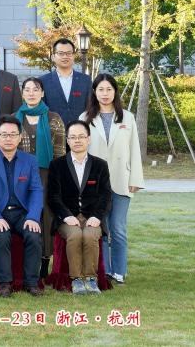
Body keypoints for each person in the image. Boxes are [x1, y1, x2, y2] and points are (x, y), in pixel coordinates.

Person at [81, 73, 144, 284]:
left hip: (121, 181)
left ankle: (119, 271)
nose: (105, 94)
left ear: (115, 91)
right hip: (94, 184)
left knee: (118, 228)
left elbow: (134, 149)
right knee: (100, 228)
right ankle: (104, 270)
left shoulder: (127, 117)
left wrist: (135, 179)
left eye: (109, 89)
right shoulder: (85, 118)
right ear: (94, 92)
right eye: (101, 89)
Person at [0, 116, 45, 298]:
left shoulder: (30, 160)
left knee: (33, 234)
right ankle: (4, 283)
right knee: (2, 235)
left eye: (13, 134)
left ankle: (31, 282)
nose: (8, 138)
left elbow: (36, 190)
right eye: (4, 134)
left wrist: (33, 217)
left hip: (22, 213)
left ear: (20, 137)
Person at [47, 121, 112, 294]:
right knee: (75, 235)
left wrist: (97, 216)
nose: (77, 140)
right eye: (73, 137)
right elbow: (53, 196)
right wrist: (66, 216)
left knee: (90, 235)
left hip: (92, 217)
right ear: (67, 140)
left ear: (88, 139)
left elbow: (105, 195)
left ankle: (90, 279)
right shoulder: (57, 165)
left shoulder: (100, 165)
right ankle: (76, 280)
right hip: (67, 218)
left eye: (81, 136)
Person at [15, 76, 67, 275]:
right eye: (27, 89)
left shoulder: (54, 118)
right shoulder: (14, 118)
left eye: (36, 89)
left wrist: (58, 180)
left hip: (47, 174)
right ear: (22, 93)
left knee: (46, 216)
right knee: (24, 213)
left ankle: (45, 261)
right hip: (20, 174)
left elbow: (60, 153)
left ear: (42, 93)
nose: (31, 93)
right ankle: (24, 261)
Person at [38, 38, 93, 123]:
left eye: (69, 53)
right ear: (53, 57)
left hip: (80, 129)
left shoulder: (85, 80)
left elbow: (90, 108)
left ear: (74, 56)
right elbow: (41, 110)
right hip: (52, 130)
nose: (65, 57)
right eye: (60, 53)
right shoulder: (43, 81)